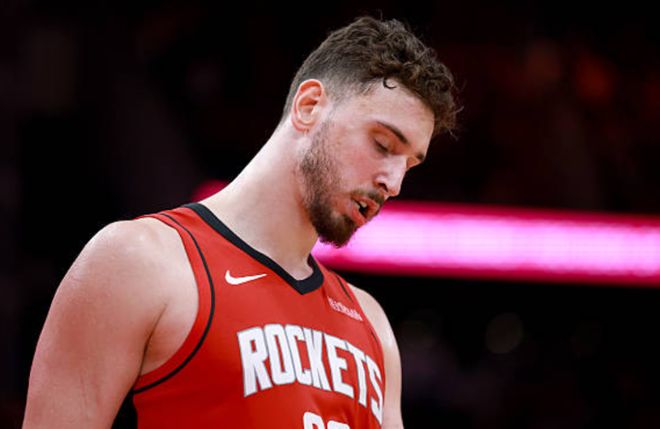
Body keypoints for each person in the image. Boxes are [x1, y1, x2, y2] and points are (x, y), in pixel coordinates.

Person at [23, 16, 458, 429]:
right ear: (309, 107)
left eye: (409, 165)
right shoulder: (138, 262)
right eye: (383, 144)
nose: (393, 183)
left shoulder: (371, 324)